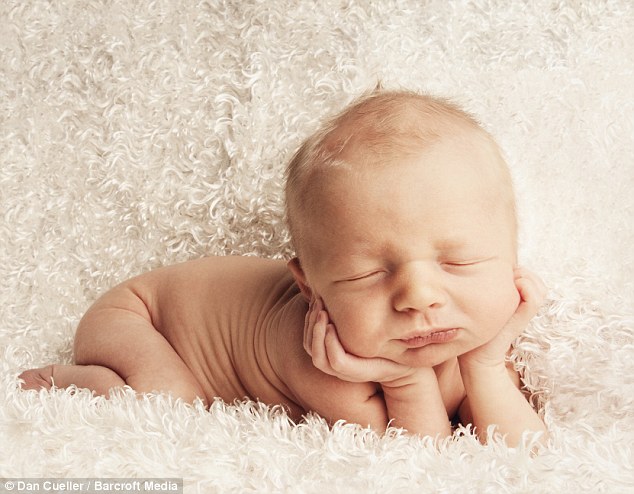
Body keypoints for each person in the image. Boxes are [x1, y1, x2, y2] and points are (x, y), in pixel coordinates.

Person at [19, 89, 547, 445]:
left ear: (511, 251)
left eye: (460, 261)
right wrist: (405, 378)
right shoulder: (324, 361)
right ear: (311, 288)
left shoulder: (469, 334)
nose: (419, 296)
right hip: (138, 317)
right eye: (366, 275)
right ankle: (65, 379)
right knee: (172, 401)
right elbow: (421, 457)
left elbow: (523, 451)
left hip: (166, 308)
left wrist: (485, 367)